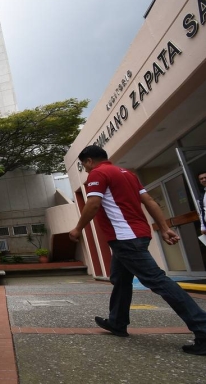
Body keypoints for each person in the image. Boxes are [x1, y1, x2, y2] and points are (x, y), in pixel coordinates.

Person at [68, 145, 206, 356]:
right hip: (136, 235)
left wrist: (78, 228)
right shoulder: (127, 174)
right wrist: (164, 227)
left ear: (88, 161)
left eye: (84, 165)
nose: (85, 170)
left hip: (125, 238)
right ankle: (117, 322)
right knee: (121, 279)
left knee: (158, 281)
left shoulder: (98, 173)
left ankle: (202, 328)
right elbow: (149, 201)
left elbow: (93, 204)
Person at [198, 171, 206, 235]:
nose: (204, 179)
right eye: (201, 179)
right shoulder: (202, 195)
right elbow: (202, 210)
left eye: (205, 177)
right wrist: (202, 227)